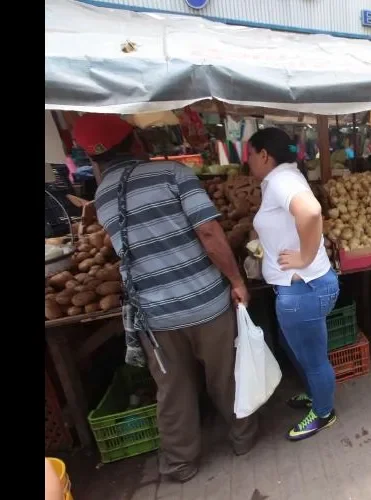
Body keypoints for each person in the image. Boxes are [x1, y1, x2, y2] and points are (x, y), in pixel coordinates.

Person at [73, 114, 257, 482]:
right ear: (137, 142)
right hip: (204, 301)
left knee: (172, 391)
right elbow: (208, 231)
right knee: (227, 378)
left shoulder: (102, 197)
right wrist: (236, 279)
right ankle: (242, 439)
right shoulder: (174, 174)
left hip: (154, 315)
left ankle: (180, 464)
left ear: (95, 160)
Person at [246, 127, 341, 441]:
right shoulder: (284, 177)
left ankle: (324, 412)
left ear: (264, 155)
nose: (247, 162)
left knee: (312, 357)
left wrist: (305, 256)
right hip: (303, 288)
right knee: (297, 348)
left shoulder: (281, 180)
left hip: (304, 288)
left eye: (250, 155)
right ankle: (317, 394)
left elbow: (311, 212)